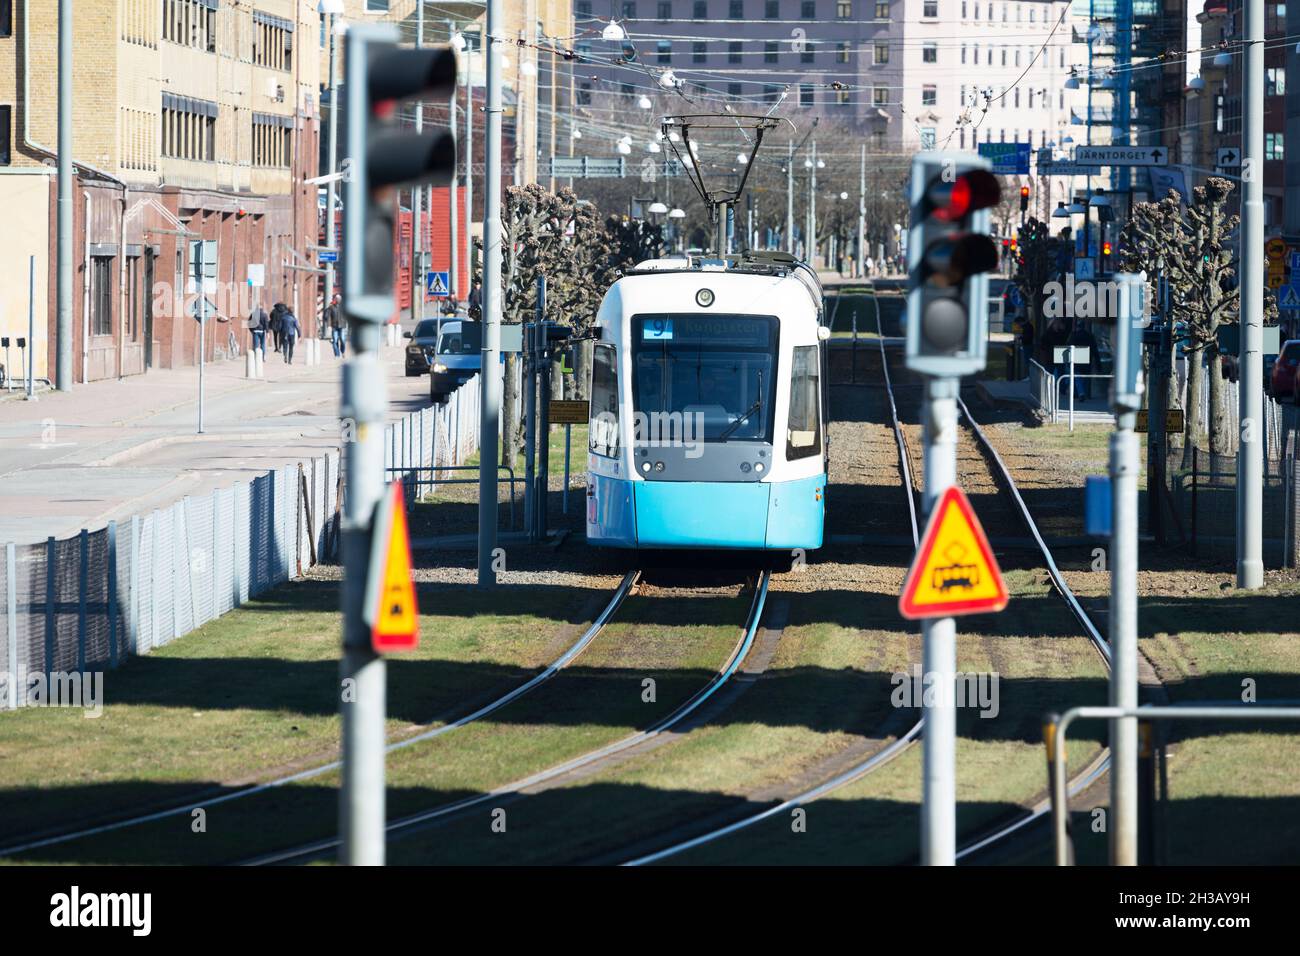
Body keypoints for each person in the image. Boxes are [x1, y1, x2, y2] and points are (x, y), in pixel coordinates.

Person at [1068, 320, 1097, 400]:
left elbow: (1069, 346)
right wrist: (1098, 364)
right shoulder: (1090, 336)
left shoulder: (1074, 336)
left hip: (1077, 359)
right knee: (1085, 378)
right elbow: (1095, 350)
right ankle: (1084, 393)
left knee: (1077, 377)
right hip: (1087, 359)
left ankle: (1080, 393)